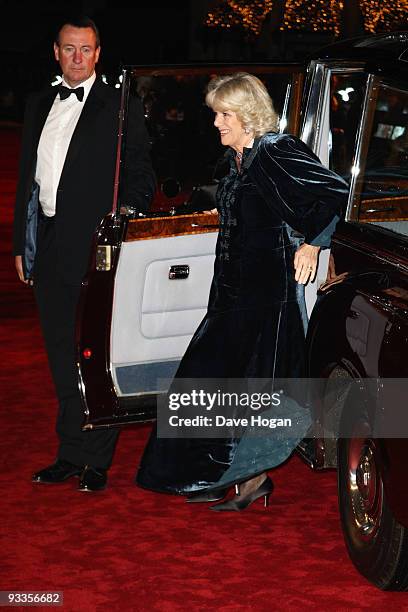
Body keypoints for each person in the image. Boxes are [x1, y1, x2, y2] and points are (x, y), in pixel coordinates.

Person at [136, 72, 347, 510]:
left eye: (223, 113)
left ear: (248, 116)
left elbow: (335, 192)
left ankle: (232, 475)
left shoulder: (275, 151)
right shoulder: (238, 159)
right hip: (231, 293)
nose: (215, 122)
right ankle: (238, 478)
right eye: (216, 113)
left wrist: (312, 243)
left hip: (264, 297)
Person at [13, 16, 155, 492]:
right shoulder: (37, 105)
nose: (77, 57)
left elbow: (141, 176)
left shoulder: (120, 105)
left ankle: (96, 459)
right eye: (69, 48)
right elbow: (26, 183)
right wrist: (21, 244)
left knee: (93, 356)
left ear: (98, 53)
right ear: (55, 51)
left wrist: (119, 228)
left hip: (95, 248)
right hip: (48, 244)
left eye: (86, 49)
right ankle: (69, 452)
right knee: (58, 356)